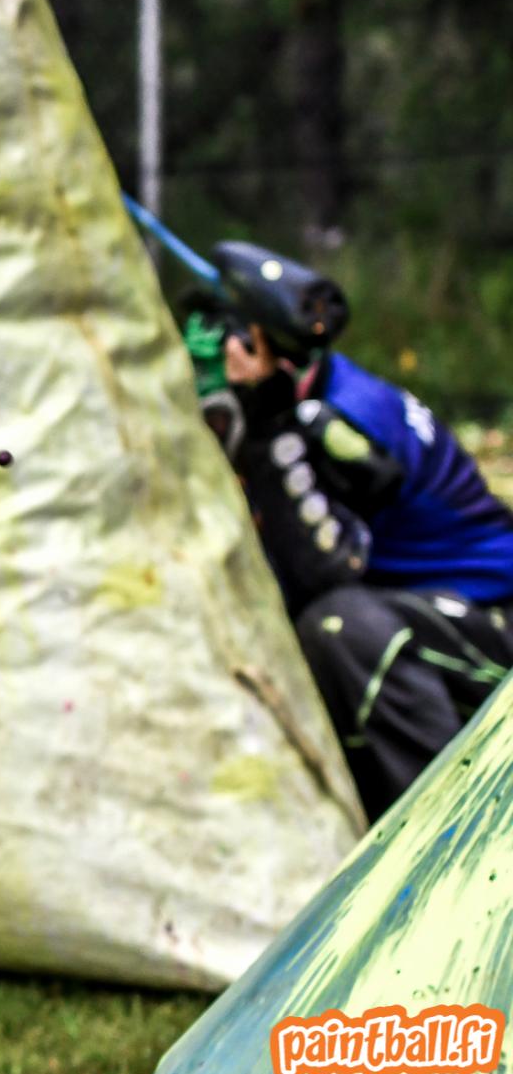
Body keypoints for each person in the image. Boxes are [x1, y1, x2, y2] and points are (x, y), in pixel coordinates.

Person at [219, 318, 513, 822]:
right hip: (446, 614)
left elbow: (324, 569)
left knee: (339, 628)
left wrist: (267, 421)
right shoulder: (338, 386)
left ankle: (456, 825)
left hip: (494, 624)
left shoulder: (347, 416)